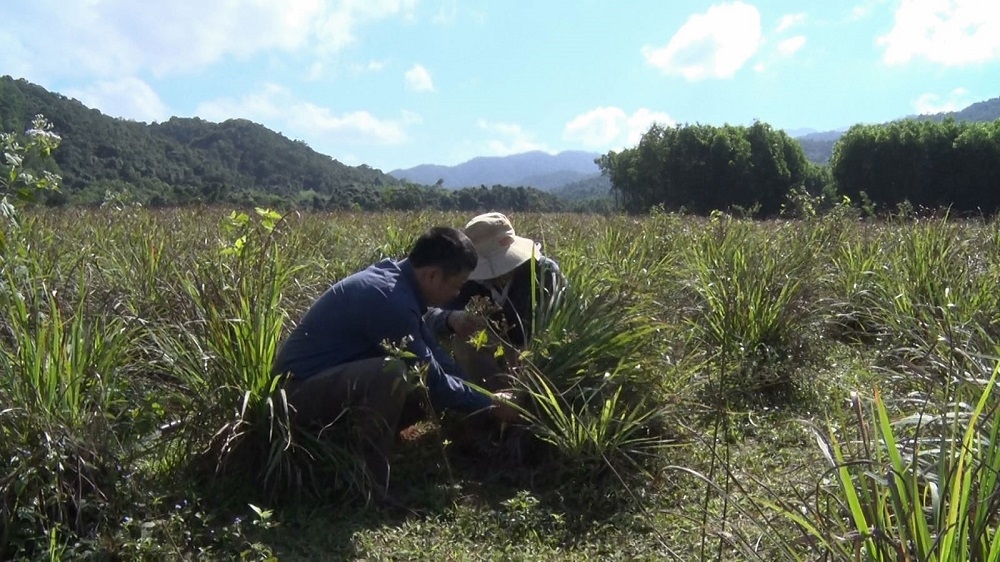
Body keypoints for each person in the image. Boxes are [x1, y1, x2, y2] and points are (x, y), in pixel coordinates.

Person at [271, 226, 519, 503]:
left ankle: (353, 446)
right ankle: (368, 485)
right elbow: (432, 378)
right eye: (456, 285)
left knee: (419, 384)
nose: (456, 293)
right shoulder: (388, 298)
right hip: (293, 400)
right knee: (393, 373)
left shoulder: (399, 282)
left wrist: (475, 393)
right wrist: (491, 403)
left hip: (325, 386)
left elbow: (434, 356)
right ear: (432, 275)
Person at [426, 212, 563, 390]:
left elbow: (559, 324)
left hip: (538, 359)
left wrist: (524, 351)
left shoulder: (544, 273)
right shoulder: (468, 282)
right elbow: (429, 313)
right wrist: (451, 318)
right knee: (464, 342)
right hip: (489, 360)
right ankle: (488, 400)